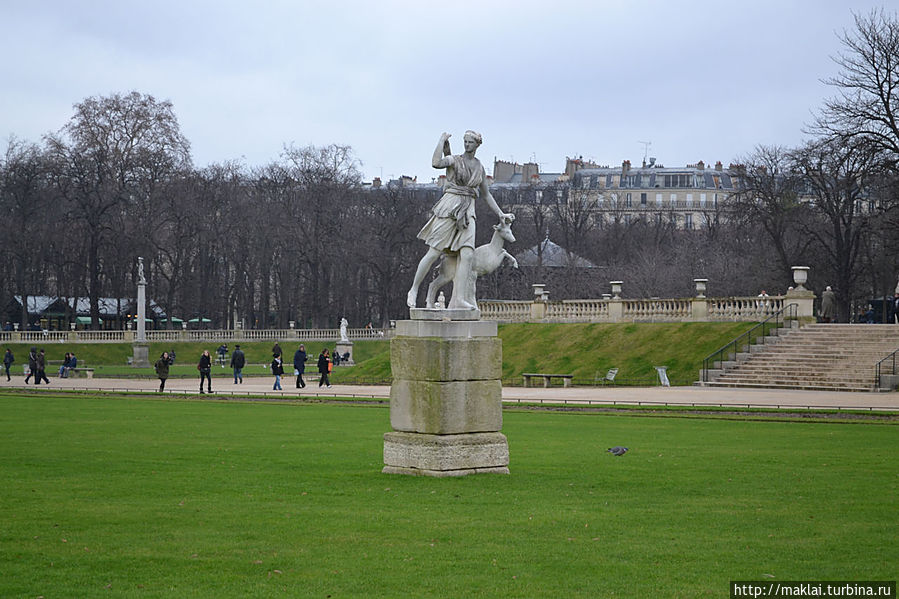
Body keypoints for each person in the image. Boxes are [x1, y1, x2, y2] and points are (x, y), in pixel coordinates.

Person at [407, 130, 514, 310]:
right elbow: (435, 163)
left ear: (477, 145)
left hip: (468, 211)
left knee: (468, 254)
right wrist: (441, 141)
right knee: (433, 252)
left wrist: (500, 214)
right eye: (465, 141)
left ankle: (460, 299)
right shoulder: (455, 160)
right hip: (450, 208)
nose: (466, 145)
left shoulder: (479, 168)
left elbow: (486, 195)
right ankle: (414, 289)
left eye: (470, 142)